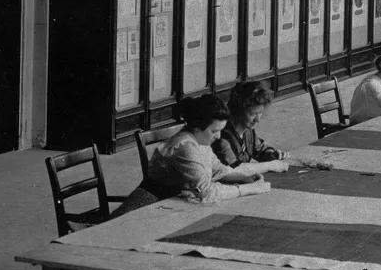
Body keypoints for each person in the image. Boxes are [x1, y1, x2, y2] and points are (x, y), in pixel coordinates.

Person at [117, 94, 271, 214]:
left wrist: (245, 178)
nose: (218, 137)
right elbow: (207, 192)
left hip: (169, 206)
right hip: (144, 209)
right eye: (214, 131)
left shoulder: (200, 140)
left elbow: (218, 169)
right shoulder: (185, 146)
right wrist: (247, 189)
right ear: (198, 127)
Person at [213, 81, 294, 172]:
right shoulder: (222, 136)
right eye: (252, 114)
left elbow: (259, 150)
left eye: (260, 113)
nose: (258, 120)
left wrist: (271, 155)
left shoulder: (248, 131)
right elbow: (234, 168)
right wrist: (270, 165)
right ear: (238, 111)